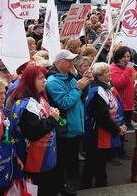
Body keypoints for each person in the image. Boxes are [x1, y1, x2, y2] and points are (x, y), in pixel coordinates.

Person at [46, 49, 92, 195]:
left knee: (68, 161)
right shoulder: (53, 81)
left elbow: (82, 96)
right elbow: (65, 103)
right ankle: (58, 188)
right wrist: (78, 87)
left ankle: (63, 186)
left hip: (73, 128)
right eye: (69, 60)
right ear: (59, 62)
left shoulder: (70, 77)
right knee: (61, 163)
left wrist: (86, 82)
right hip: (65, 130)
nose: (72, 63)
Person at [9, 66, 59, 196]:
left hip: (47, 156)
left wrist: (53, 115)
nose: (44, 81)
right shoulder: (26, 105)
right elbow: (33, 133)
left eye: (45, 78)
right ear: (31, 81)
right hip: (34, 160)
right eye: (40, 78)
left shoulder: (39, 98)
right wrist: (52, 119)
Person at [81, 62, 127, 188]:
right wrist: (117, 129)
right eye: (107, 72)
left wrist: (120, 124)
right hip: (97, 134)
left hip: (104, 131)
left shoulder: (106, 87)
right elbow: (102, 118)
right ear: (99, 75)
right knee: (93, 162)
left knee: (99, 162)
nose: (110, 73)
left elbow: (115, 109)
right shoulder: (97, 92)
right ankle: (89, 186)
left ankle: (100, 183)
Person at [110, 46, 135, 159]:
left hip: (128, 103)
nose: (126, 59)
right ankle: (118, 152)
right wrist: (128, 71)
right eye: (124, 56)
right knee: (118, 128)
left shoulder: (128, 67)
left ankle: (119, 148)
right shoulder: (113, 68)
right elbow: (118, 84)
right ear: (118, 58)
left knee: (124, 128)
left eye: (128, 56)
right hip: (120, 105)